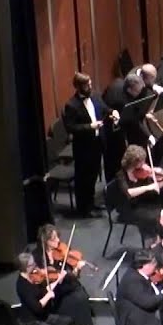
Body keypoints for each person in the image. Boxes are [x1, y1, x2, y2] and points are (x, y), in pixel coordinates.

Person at [12, 252, 77, 325]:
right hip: (32, 322)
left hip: (42, 316)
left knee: (69, 322)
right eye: (32, 264)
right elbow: (37, 307)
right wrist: (48, 296)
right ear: (25, 267)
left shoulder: (32, 276)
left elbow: (43, 290)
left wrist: (56, 281)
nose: (35, 266)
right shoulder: (23, 286)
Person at [62, 72, 109, 217]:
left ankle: (91, 203)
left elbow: (104, 108)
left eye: (90, 84)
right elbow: (70, 127)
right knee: (83, 179)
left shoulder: (95, 96)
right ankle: (83, 209)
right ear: (78, 87)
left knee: (93, 175)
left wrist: (113, 112)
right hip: (83, 147)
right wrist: (90, 126)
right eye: (87, 85)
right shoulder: (71, 105)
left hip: (97, 143)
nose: (90, 87)